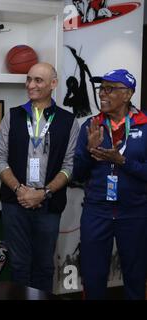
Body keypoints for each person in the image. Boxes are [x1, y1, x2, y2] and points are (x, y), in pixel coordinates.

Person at [0, 62, 79, 292]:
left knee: (44, 267)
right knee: (19, 266)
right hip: (15, 203)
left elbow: (70, 166)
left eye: (38, 80)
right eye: (29, 79)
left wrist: (44, 192)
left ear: (53, 84)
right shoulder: (14, 116)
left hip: (48, 205)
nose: (31, 85)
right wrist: (20, 190)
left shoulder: (68, 121)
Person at [73, 69, 147, 299]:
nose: (102, 94)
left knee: (135, 277)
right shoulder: (91, 125)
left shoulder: (144, 125)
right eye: (101, 88)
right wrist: (89, 151)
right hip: (97, 211)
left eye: (109, 89)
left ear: (127, 94)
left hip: (134, 213)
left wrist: (123, 161)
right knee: (93, 279)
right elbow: (77, 173)